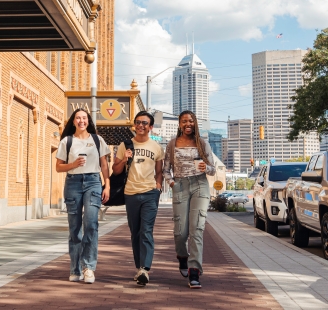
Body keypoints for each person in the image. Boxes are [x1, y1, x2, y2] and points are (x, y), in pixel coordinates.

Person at [55, 108, 110, 284]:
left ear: (88, 120)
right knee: (75, 228)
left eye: (84, 118)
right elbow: (58, 167)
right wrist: (73, 164)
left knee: (91, 224)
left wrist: (106, 184)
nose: (81, 121)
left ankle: (88, 268)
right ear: (73, 121)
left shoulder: (97, 139)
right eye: (78, 118)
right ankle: (75, 269)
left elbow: (104, 164)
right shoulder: (67, 141)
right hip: (73, 183)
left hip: (93, 182)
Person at [163, 110, 216, 289]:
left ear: (195, 123)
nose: (188, 124)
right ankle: (182, 256)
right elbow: (165, 170)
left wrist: (205, 167)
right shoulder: (172, 144)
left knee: (197, 229)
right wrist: (171, 183)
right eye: (184, 121)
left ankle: (195, 271)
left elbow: (213, 169)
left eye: (191, 121)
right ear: (179, 124)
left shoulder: (202, 143)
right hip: (180, 186)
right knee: (180, 232)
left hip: (200, 185)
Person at [112, 111, 163, 286]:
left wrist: (158, 186)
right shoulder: (125, 144)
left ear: (150, 127)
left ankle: (145, 269)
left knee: (146, 231)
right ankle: (139, 267)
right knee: (135, 232)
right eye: (138, 122)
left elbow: (159, 171)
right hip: (131, 193)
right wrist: (123, 159)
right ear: (134, 125)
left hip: (150, 193)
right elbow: (116, 170)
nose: (140, 125)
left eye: (144, 123)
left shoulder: (156, 147)